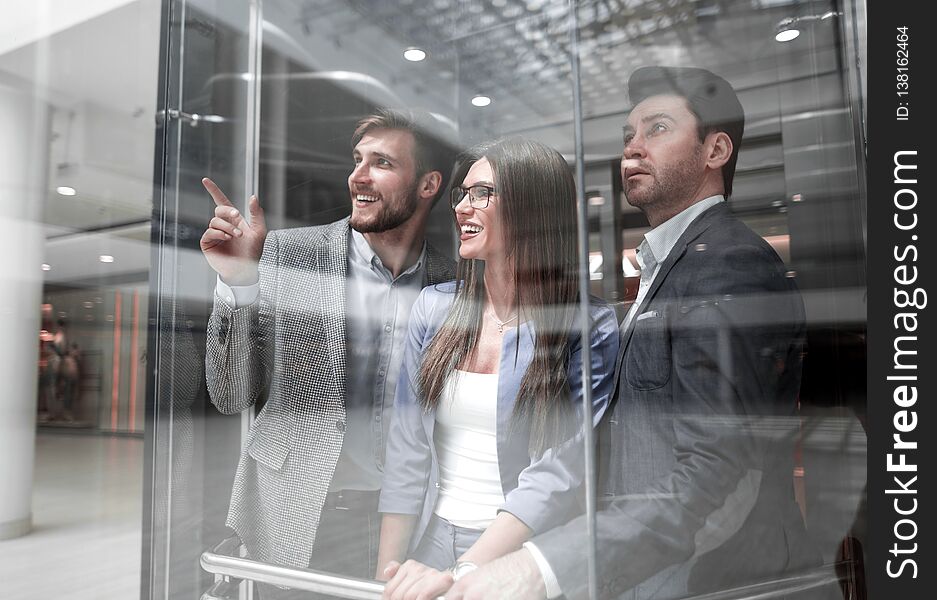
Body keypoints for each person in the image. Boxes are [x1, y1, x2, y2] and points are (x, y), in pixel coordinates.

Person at [445, 67, 822, 600]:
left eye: (658, 129)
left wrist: (543, 566)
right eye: (629, 135)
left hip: (715, 578)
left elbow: (717, 474)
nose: (633, 148)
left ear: (715, 150)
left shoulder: (727, 265)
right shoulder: (673, 264)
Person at [200, 108, 456, 596]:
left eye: (381, 162)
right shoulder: (285, 254)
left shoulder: (454, 282)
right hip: (296, 513)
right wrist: (239, 287)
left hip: (410, 522)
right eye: (356, 160)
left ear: (427, 185)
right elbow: (231, 395)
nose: (357, 176)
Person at [376, 138, 619, 600]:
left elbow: (560, 472)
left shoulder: (585, 324)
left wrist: (467, 569)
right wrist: (385, 573)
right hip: (429, 544)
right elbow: (406, 452)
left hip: (520, 557)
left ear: (531, 208)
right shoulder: (435, 308)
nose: (464, 207)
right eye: (463, 194)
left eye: (483, 193)